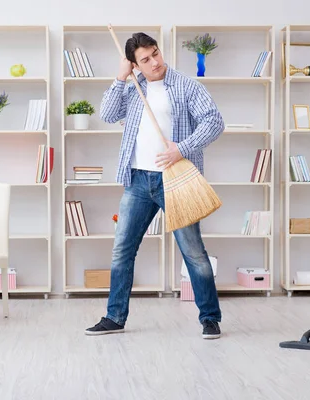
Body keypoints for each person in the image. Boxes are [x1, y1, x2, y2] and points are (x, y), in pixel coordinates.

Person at [85, 32, 225, 339]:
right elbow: (107, 114)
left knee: (194, 253)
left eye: (155, 54)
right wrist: (120, 78)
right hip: (137, 180)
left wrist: (182, 148)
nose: (154, 62)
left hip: (175, 180)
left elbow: (214, 121)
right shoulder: (134, 88)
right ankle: (114, 317)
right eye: (145, 60)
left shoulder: (187, 85)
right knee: (122, 251)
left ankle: (210, 318)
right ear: (135, 64)